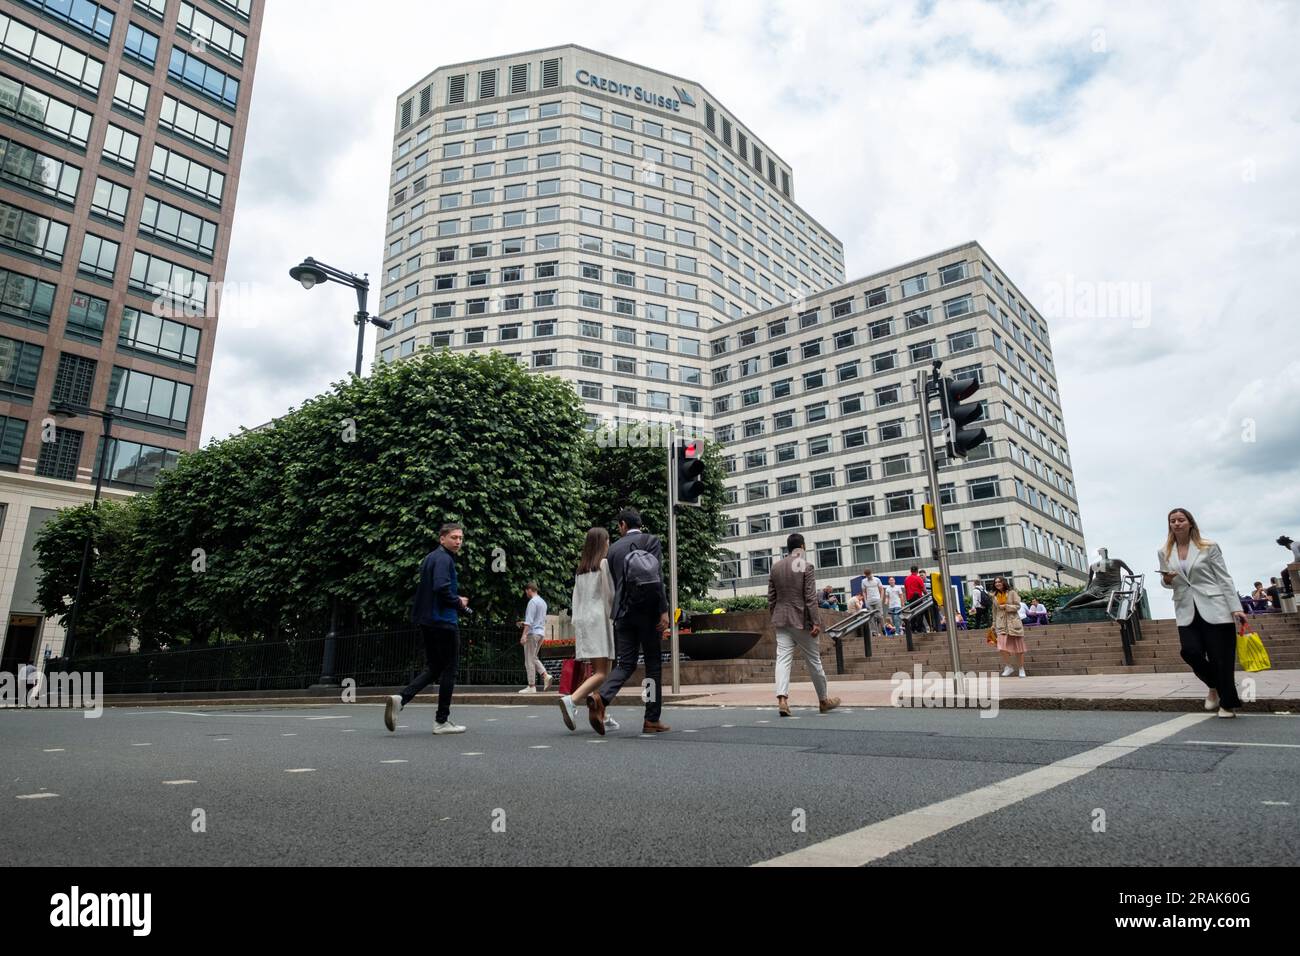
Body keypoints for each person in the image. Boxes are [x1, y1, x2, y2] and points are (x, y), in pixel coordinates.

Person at [586, 508, 671, 735]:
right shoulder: (651, 541)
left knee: (626, 663)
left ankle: (601, 696)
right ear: (639, 524)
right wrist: (663, 610)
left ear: (623, 525)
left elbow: (616, 586)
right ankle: (651, 719)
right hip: (649, 615)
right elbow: (657, 579)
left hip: (623, 614)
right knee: (652, 665)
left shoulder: (613, 550)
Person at [1162, 508, 1248, 718]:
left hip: (1215, 607)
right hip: (1185, 608)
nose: (1176, 524)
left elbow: (1223, 578)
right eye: (1172, 521)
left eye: (1181, 520)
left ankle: (1227, 704)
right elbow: (1166, 582)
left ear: (1190, 522)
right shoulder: (1164, 551)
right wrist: (1167, 580)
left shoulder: (1208, 547)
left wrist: (1236, 607)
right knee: (1190, 651)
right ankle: (1215, 685)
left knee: (1221, 658)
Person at [385, 523, 468, 735]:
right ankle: (441, 721)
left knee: (434, 667)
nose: (458, 541)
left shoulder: (430, 558)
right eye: (453, 537)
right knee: (450, 668)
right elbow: (441, 588)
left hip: (427, 621)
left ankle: (401, 699)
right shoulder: (444, 559)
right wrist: (458, 603)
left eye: (460, 538)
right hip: (444, 621)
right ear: (442, 539)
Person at [767, 533, 840, 718]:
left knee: (783, 659)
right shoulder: (806, 566)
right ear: (802, 546)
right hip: (801, 621)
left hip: (781, 620)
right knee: (814, 660)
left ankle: (782, 699)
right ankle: (823, 700)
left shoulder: (775, 567)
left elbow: (771, 598)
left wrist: (775, 616)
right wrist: (816, 622)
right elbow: (810, 597)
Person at [558, 528, 619, 732]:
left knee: (597, 671)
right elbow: (609, 595)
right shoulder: (603, 564)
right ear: (602, 543)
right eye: (608, 540)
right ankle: (572, 700)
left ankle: (603, 714)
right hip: (600, 619)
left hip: (584, 620)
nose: (609, 544)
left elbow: (576, 598)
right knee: (603, 673)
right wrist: (616, 616)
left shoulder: (581, 569)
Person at [516, 582, 552, 694]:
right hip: (541, 633)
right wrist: (524, 623)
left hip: (532, 633)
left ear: (529, 589)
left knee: (528, 660)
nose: (526, 593)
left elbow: (530, 621)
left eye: (526, 591)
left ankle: (531, 686)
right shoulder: (543, 602)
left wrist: (524, 635)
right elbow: (537, 619)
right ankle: (545, 676)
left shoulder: (532, 602)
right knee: (533, 657)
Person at [990, 576, 1027, 677]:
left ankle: (1021, 668)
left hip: (1013, 622)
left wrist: (1007, 607)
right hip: (1000, 623)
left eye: (999, 582)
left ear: (1003, 582)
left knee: (1019, 648)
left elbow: (1018, 606)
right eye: (995, 582)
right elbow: (994, 611)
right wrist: (993, 623)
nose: (997, 584)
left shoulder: (1012, 593)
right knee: (1001, 646)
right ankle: (1009, 666)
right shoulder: (994, 596)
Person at [859, 568, 884, 638]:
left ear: (871, 573)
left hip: (877, 599)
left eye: (869, 575)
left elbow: (881, 589)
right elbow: (864, 591)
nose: (868, 577)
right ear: (865, 575)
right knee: (871, 617)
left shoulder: (877, 579)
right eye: (867, 575)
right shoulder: (863, 581)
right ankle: (874, 632)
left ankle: (883, 628)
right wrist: (865, 601)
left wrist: (881, 599)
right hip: (869, 601)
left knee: (879, 616)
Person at [904, 566, 927, 632]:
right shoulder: (918, 578)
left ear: (911, 571)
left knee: (912, 613)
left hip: (910, 599)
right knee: (920, 613)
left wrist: (907, 600)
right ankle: (919, 628)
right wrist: (927, 596)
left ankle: (913, 628)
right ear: (917, 571)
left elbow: (906, 590)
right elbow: (923, 589)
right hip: (917, 599)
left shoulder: (906, 579)